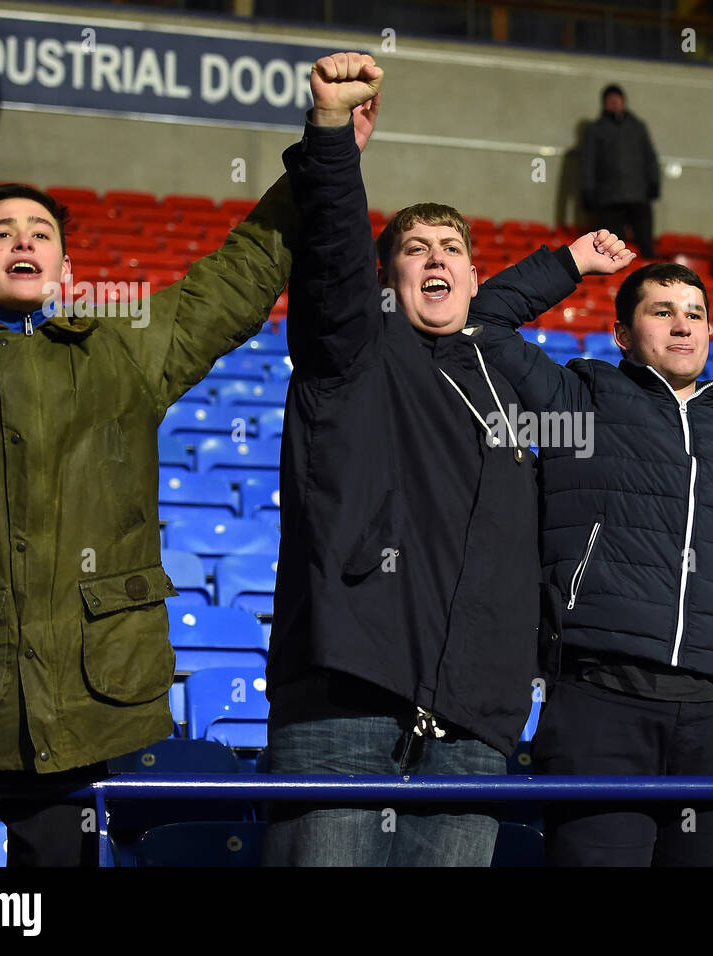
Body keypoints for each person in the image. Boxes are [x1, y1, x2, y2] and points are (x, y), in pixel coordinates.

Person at [0, 87, 378, 866]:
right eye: (0, 231)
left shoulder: (122, 350)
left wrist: (325, 145)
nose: (24, 240)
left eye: (41, 231)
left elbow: (242, 274)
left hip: (84, 715)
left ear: (65, 263)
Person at [262, 53, 630, 868]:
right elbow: (331, 259)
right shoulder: (355, 350)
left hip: (476, 715)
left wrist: (567, 262)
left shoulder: (501, 375)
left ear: (473, 273)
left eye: (451, 248)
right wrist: (332, 141)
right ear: (387, 277)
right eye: (415, 248)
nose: (434, 259)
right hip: (347, 691)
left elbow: (487, 312)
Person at [470, 255, 713, 866]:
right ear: (622, 335)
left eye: (695, 315)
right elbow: (482, 320)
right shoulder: (576, 406)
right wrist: (570, 263)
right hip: (602, 705)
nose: (683, 326)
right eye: (662, 312)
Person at [580, 84, 660, 258]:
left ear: (624, 101)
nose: (615, 103)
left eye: (618, 99)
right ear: (604, 103)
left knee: (646, 244)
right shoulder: (595, 129)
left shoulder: (637, 127)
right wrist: (588, 190)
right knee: (612, 248)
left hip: (638, 195)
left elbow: (650, 157)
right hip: (609, 198)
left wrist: (654, 181)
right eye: (610, 100)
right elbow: (588, 162)